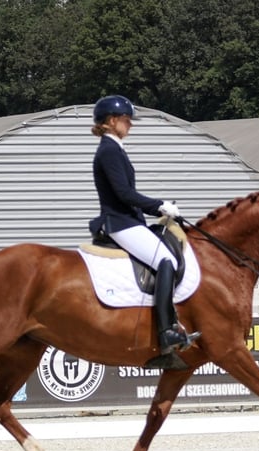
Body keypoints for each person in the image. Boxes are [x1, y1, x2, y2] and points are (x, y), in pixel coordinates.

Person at [88, 95, 200, 357]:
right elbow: (124, 194)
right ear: (111, 121)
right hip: (120, 222)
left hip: (129, 220)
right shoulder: (108, 151)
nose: (131, 125)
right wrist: (159, 206)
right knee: (166, 261)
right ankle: (166, 332)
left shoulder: (115, 148)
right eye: (127, 120)